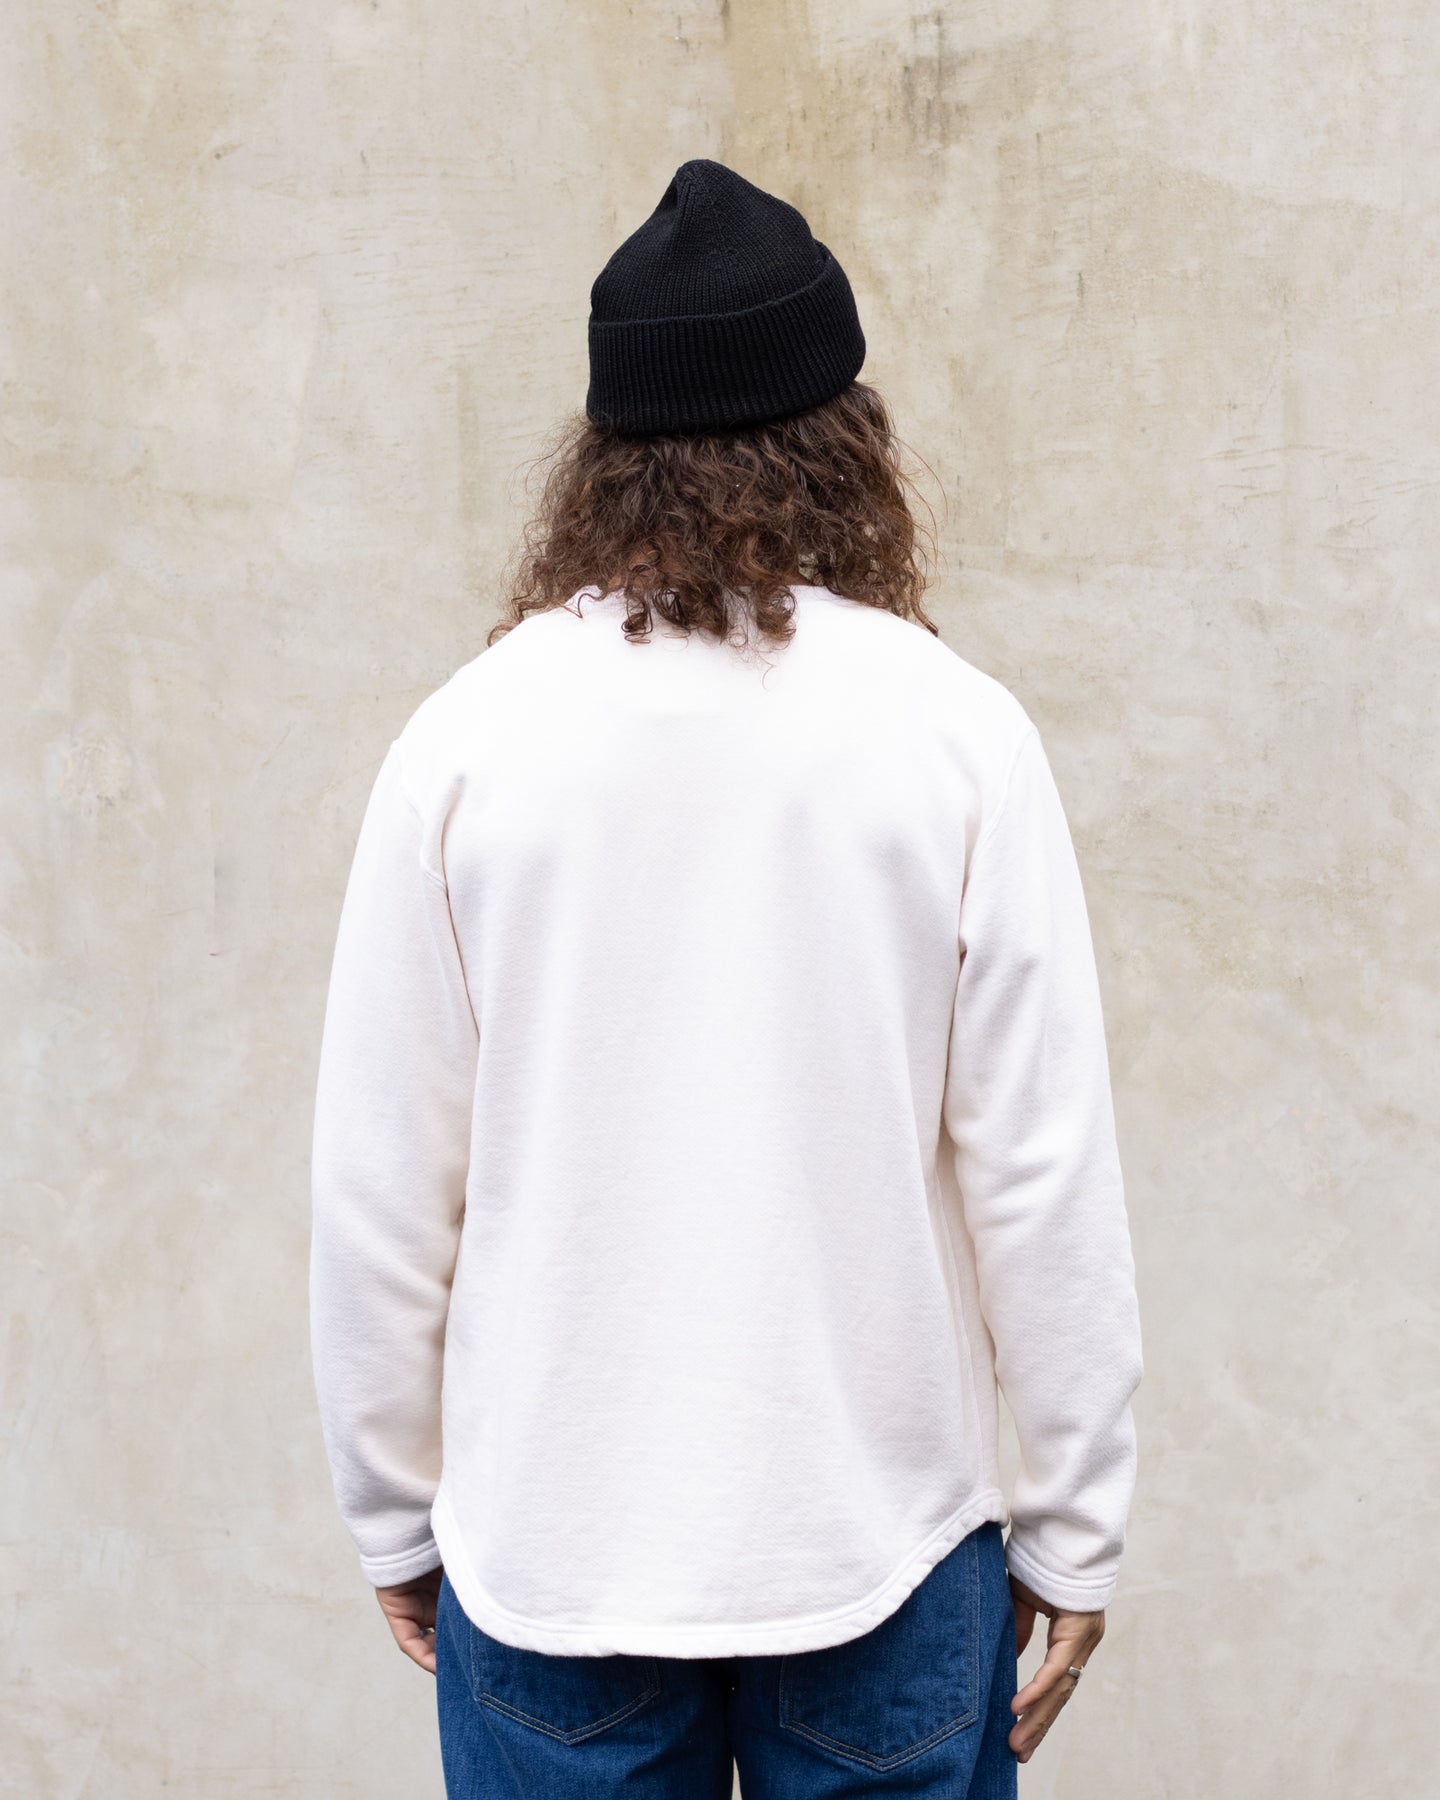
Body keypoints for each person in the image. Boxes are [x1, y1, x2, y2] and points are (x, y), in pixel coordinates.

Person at [309, 159, 1144, 1800]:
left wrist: (391, 1508)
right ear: (848, 440)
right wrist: (1077, 1530)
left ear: (603, 459)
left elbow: (383, 1185)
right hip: (882, 1547)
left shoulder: (466, 743)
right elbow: (1043, 1169)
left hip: (554, 1562)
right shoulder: (955, 733)